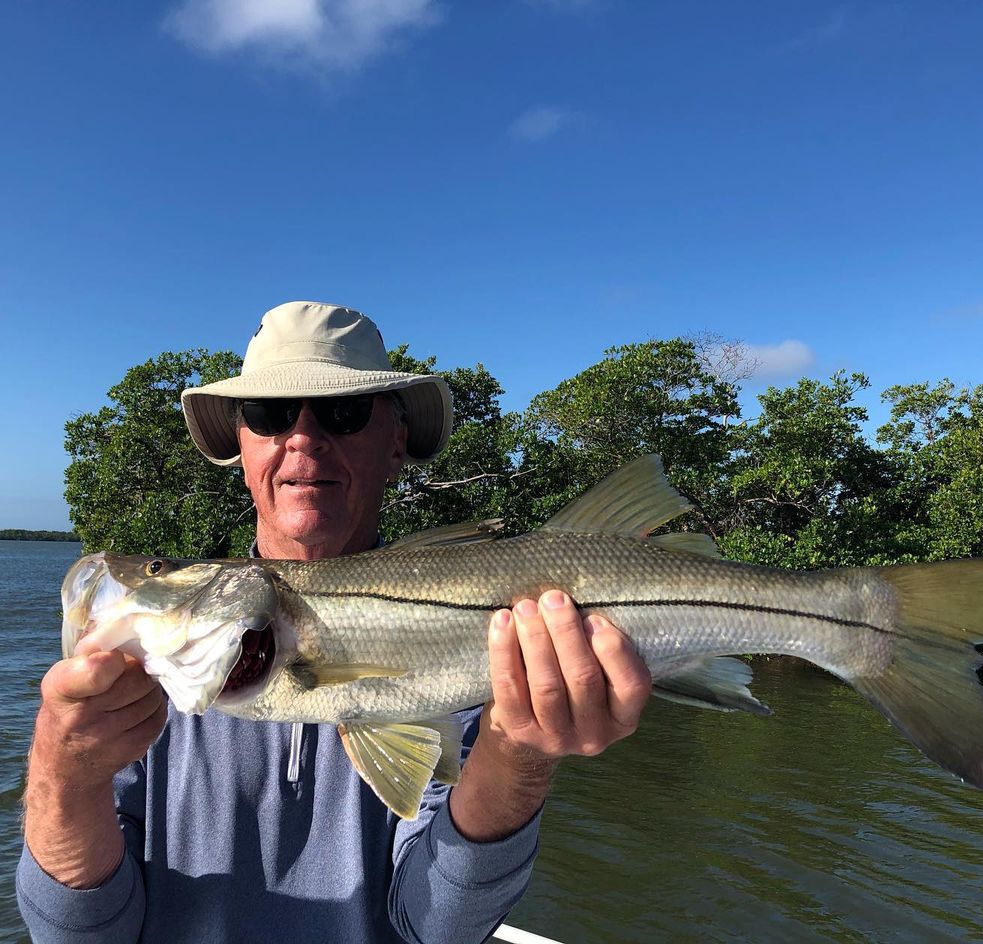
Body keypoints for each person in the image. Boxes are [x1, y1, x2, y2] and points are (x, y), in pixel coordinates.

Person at [18, 301, 653, 943]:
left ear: (396, 442)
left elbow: (436, 927)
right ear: (241, 443)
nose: (303, 438)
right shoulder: (139, 682)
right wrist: (63, 776)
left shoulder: (483, 672)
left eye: (343, 413)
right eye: (269, 414)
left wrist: (516, 756)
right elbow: (77, 936)